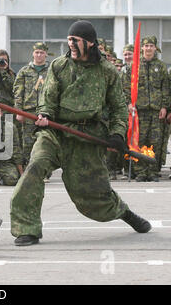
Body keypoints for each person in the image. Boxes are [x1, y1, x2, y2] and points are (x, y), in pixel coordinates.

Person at [10, 20, 152, 247]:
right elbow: (47, 99)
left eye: (76, 41)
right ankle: (26, 229)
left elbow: (118, 108)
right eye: (69, 41)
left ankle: (124, 213)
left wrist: (116, 134)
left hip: (87, 136)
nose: (71, 46)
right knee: (34, 167)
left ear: (90, 43)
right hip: (56, 132)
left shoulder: (107, 72)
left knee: (94, 198)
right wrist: (45, 114)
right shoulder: (59, 66)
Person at [123, 36, 170, 182]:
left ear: (155, 48)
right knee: (140, 140)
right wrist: (129, 103)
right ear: (141, 48)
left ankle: (153, 170)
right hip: (139, 111)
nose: (148, 48)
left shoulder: (161, 67)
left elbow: (166, 88)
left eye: (151, 46)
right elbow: (125, 87)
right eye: (146, 46)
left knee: (155, 141)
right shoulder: (134, 66)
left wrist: (164, 106)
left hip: (156, 111)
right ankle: (140, 171)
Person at [14, 42, 50, 170]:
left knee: (45, 141)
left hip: (46, 111)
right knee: (28, 142)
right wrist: (19, 111)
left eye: (41, 52)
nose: (39, 55)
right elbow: (18, 92)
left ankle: (44, 171)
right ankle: (30, 170)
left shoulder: (51, 70)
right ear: (33, 53)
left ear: (46, 54)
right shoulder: (24, 71)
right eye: (36, 52)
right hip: (28, 111)